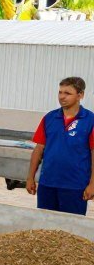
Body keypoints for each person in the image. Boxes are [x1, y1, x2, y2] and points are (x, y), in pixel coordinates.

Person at [26, 76, 94, 215]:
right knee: (46, 224)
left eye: (67, 93)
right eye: (60, 92)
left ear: (80, 95)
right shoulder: (49, 118)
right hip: (47, 184)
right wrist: (30, 177)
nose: (62, 97)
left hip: (75, 186)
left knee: (71, 226)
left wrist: (92, 184)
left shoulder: (90, 120)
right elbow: (39, 149)